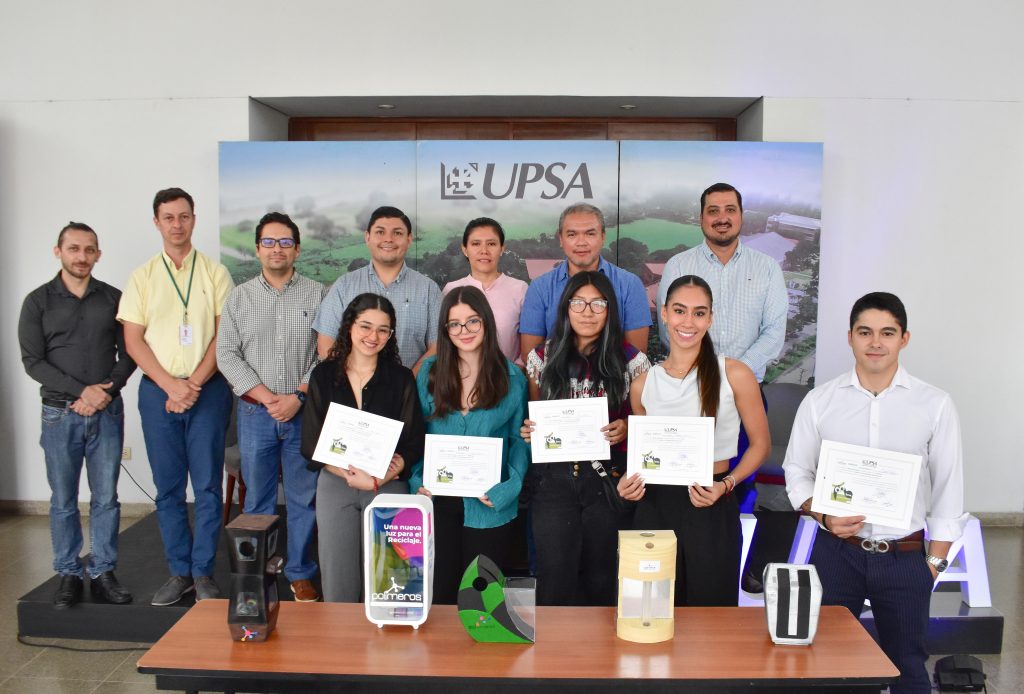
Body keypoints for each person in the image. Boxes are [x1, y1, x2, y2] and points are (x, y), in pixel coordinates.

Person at [783, 292, 965, 694]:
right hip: (836, 553)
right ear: (850, 337)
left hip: (904, 556)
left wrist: (933, 564)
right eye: (865, 332)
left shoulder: (935, 405)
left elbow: (949, 486)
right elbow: (796, 471)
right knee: (829, 669)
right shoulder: (820, 401)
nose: (876, 342)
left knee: (908, 669)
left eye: (887, 333)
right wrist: (822, 514)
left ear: (904, 338)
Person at [617, 275, 770, 606]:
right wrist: (629, 482)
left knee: (710, 618)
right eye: (679, 310)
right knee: (650, 611)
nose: (688, 322)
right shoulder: (643, 383)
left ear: (710, 318)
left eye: (699, 313)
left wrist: (727, 484)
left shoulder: (735, 374)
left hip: (710, 501)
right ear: (664, 314)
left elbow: (760, 445)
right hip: (655, 506)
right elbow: (644, 454)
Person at [118, 188, 234, 606]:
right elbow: (133, 340)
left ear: (194, 220)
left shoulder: (215, 274)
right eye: (169, 217)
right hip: (159, 393)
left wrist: (193, 385)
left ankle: (203, 573)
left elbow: (224, 336)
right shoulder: (142, 277)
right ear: (157, 222)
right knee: (168, 488)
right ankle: (179, 571)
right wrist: (171, 386)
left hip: (208, 390)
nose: (177, 224)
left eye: (184, 216)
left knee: (207, 486)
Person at [18, 221, 137, 608]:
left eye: (89, 250)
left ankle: (103, 571)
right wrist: (82, 392)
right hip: (59, 414)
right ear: (59, 252)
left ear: (98, 254)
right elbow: (33, 361)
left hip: (106, 412)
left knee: (106, 498)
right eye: (74, 249)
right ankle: (68, 573)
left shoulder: (114, 298)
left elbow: (131, 353)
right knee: (63, 499)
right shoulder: (37, 302)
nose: (81, 257)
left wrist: (105, 391)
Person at [520, 271, 650, 606]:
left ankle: (602, 643)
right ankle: (556, 642)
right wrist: (530, 430)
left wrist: (627, 426)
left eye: (598, 304)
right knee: (554, 579)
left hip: (607, 482)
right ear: (566, 307)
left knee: (603, 580)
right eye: (578, 303)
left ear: (610, 310)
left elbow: (647, 426)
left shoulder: (632, 360)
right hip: (553, 482)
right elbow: (535, 413)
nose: (587, 312)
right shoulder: (541, 358)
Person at [216, 212, 327, 603]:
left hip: (303, 411)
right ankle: (256, 573)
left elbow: (327, 353)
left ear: (297, 249)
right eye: (268, 242)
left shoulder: (318, 294)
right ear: (257, 249)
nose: (276, 249)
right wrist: (267, 397)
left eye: (284, 242)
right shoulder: (240, 297)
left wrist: (298, 396)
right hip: (254, 413)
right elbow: (226, 354)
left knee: (303, 499)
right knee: (257, 501)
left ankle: (300, 573)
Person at [301, 293, 425, 602]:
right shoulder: (323, 376)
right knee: (339, 583)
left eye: (383, 330)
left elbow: (413, 443)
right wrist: (350, 474)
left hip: (387, 483)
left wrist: (378, 479)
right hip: (336, 482)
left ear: (391, 335)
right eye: (366, 326)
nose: (373, 336)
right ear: (349, 326)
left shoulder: (401, 378)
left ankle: (390, 634)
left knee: (392, 585)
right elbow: (311, 443)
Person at [409, 286, 529, 603]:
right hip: (437, 502)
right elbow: (417, 434)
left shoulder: (512, 378)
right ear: (445, 330)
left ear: (486, 322)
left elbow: (519, 440)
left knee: (482, 603)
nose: (465, 330)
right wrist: (416, 481)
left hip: (489, 505)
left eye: (473, 321)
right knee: (439, 600)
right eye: (455, 324)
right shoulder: (429, 373)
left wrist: (510, 487)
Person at [656, 183, 788, 381]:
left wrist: (736, 372)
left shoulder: (768, 268)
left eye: (730, 210)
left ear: (741, 216)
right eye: (713, 211)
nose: (722, 218)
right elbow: (669, 330)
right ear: (701, 218)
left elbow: (774, 332)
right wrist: (705, 372)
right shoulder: (678, 266)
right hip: (690, 382)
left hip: (747, 384)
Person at [313, 206, 440, 374]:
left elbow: (437, 347)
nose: (388, 239)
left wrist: (406, 382)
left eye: (397, 233)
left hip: (411, 387)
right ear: (367, 237)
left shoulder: (429, 289)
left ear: (409, 239)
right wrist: (356, 382)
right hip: (351, 388)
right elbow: (326, 345)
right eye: (380, 232)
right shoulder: (344, 286)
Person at [520, 203, 650, 359]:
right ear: (561, 239)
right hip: (554, 374)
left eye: (590, 234)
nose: (581, 242)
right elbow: (530, 357)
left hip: (615, 374)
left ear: (603, 237)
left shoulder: (630, 285)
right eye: (572, 235)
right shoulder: (540, 288)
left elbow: (636, 358)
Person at [442, 218, 528, 363]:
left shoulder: (520, 289)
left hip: (509, 374)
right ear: (465, 249)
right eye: (476, 244)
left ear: (502, 249)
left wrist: (514, 372)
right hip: (459, 374)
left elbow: (529, 343)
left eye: (491, 244)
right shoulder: (451, 290)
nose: (484, 251)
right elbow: (443, 341)